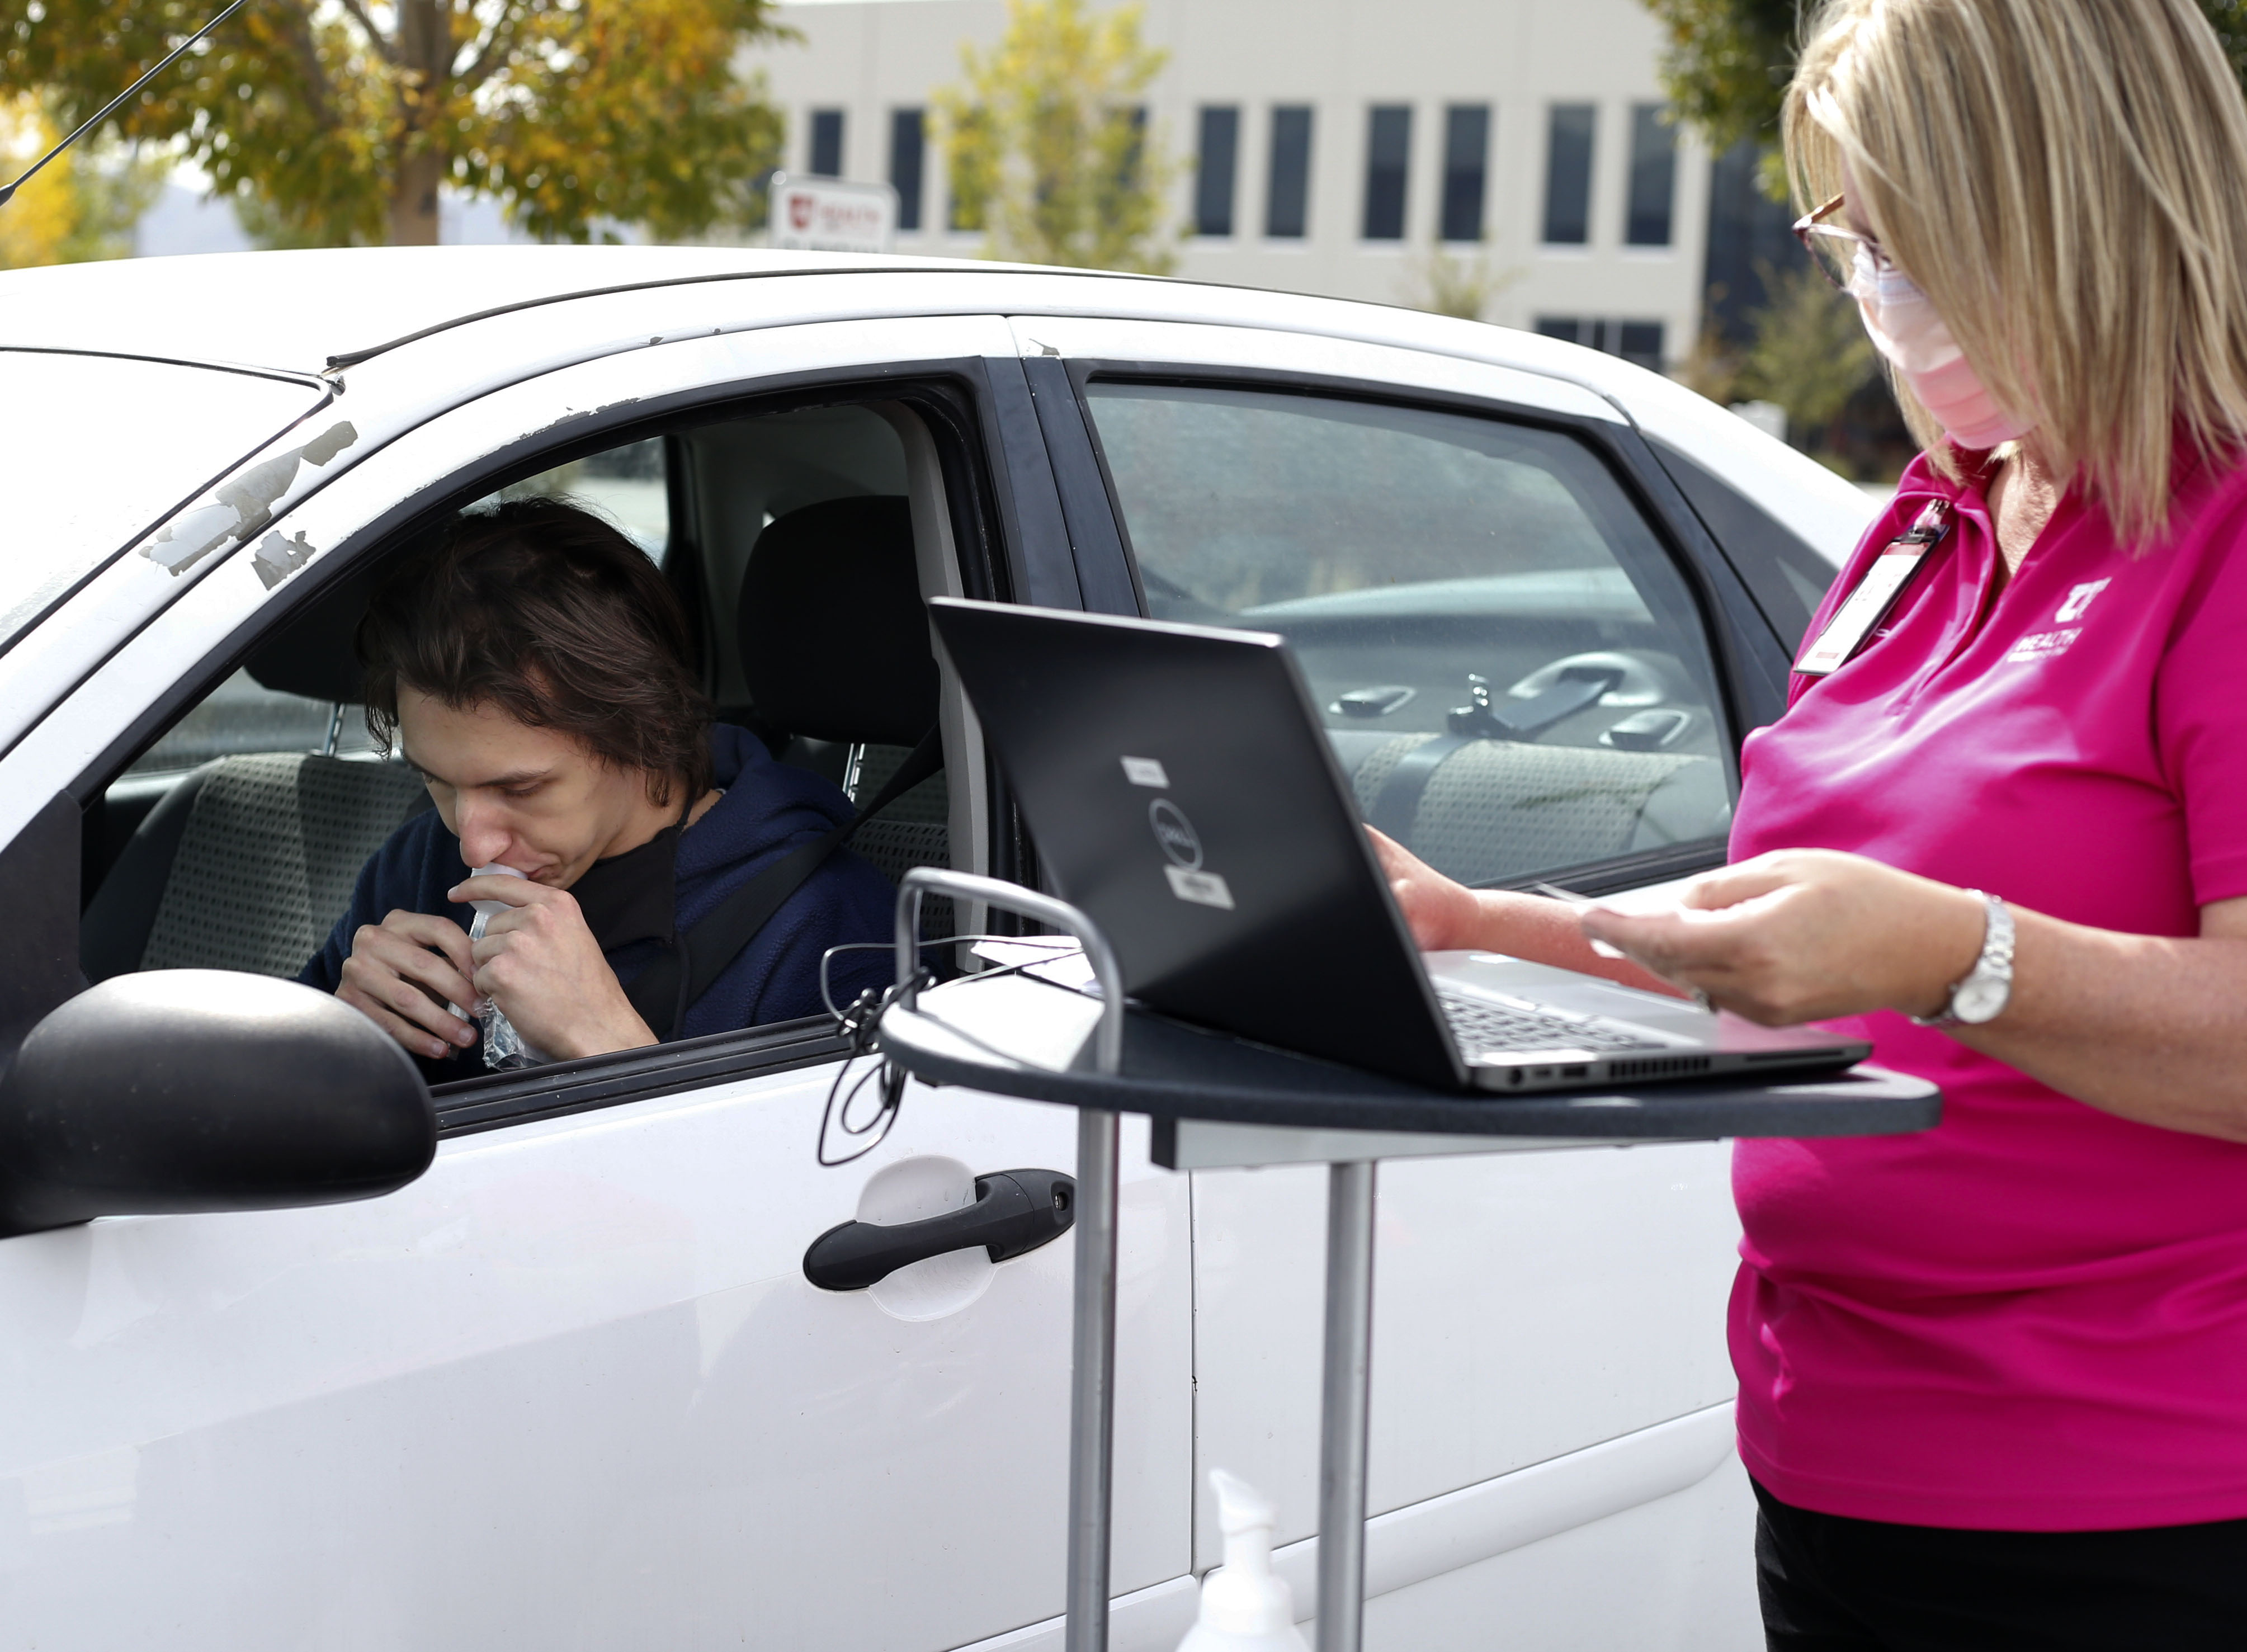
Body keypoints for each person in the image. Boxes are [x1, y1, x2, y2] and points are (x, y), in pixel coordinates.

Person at [1375, 1, 2247, 1642]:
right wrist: (1484, 923)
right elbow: (1794, 941)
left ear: (2062, 206)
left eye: (1904, 239)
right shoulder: (1920, 531)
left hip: (2144, 1503)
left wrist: (1952, 956)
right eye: (1846, 238)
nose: (1871, 291)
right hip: (1835, 1453)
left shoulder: (2222, 541)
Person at [302, 497, 896, 1073]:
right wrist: (339, 1035)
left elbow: (857, 1172)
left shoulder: (825, 926)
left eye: (522, 788)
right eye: (437, 779)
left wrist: (608, 1044)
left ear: (648, 728)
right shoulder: (416, 867)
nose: (473, 848)